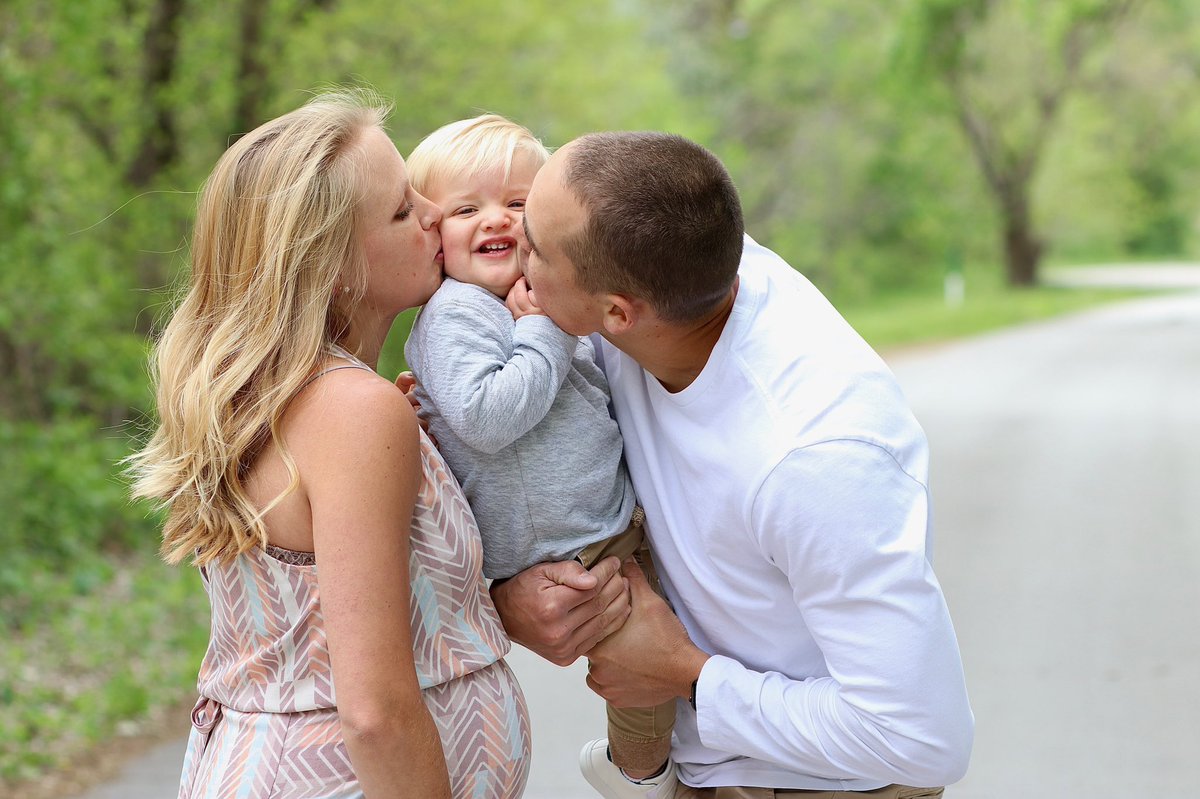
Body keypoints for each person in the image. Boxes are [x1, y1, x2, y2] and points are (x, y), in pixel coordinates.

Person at [492, 131, 975, 798]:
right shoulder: (659, 264)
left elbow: (921, 739)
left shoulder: (815, 456)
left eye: (534, 246)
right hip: (700, 771)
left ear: (618, 313)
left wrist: (688, 673)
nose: (512, 241)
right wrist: (506, 600)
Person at [127, 90, 531, 799]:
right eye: (404, 210)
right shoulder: (354, 410)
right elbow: (374, 715)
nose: (436, 213)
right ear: (335, 264)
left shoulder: (299, 395)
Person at [402, 115, 678, 795]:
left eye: (518, 203)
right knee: (647, 674)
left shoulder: (534, 301)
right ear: (433, 233)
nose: (495, 218)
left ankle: (701, 757)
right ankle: (640, 777)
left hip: (605, 520)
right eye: (467, 208)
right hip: (565, 550)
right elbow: (486, 418)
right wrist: (545, 331)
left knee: (692, 637)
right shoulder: (457, 312)